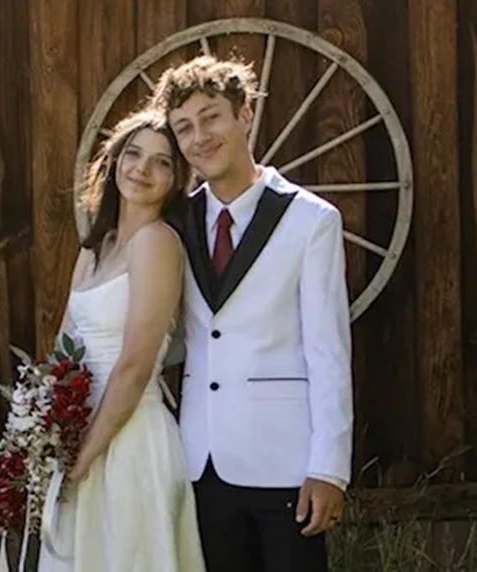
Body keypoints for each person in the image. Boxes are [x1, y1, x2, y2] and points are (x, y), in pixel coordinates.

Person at [151, 55, 354, 572]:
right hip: (201, 461)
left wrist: (329, 467)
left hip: (286, 463)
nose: (200, 137)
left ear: (244, 115)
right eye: (184, 128)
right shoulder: (176, 222)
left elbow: (328, 351)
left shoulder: (311, 220)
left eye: (211, 116)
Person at [37, 108, 206, 572]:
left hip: (130, 441)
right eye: (133, 155)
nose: (142, 170)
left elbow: (134, 364)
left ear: (176, 181)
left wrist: (84, 459)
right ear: (113, 163)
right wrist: (46, 433)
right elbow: (62, 351)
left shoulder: (157, 243)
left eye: (161, 162)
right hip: (81, 434)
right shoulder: (97, 247)